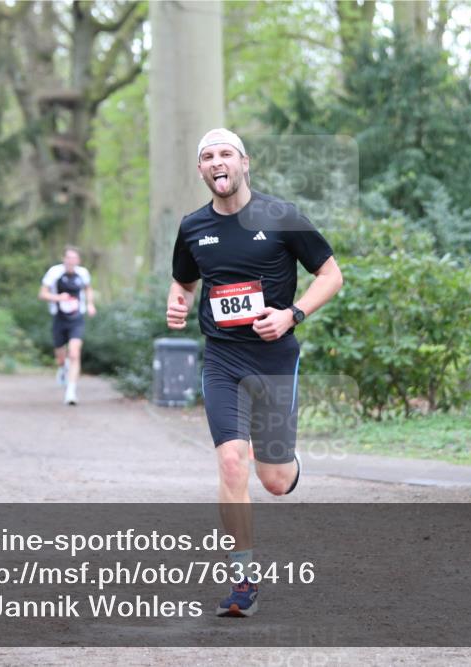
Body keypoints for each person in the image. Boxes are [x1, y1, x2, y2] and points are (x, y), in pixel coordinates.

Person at [166, 128, 343, 617]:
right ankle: (242, 581)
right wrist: (177, 304)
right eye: (207, 156)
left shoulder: (282, 216)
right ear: (201, 170)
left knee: (275, 481)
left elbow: (331, 275)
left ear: (245, 163)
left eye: (226, 153)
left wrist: (293, 314)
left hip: (274, 360)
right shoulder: (193, 227)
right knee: (230, 463)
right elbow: (183, 282)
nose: (216, 162)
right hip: (223, 360)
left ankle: (287, 461)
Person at [40, 246, 96, 405]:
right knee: (61, 356)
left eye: (74, 258)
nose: (71, 261)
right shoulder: (54, 272)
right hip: (59, 318)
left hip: (76, 319)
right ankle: (62, 367)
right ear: (64, 259)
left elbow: (88, 289)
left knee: (74, 353)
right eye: (68, 258)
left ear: (78, 260)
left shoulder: (83, 273)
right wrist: (58, 297)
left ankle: (71, 392)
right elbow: (42, 294)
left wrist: (90, 304)